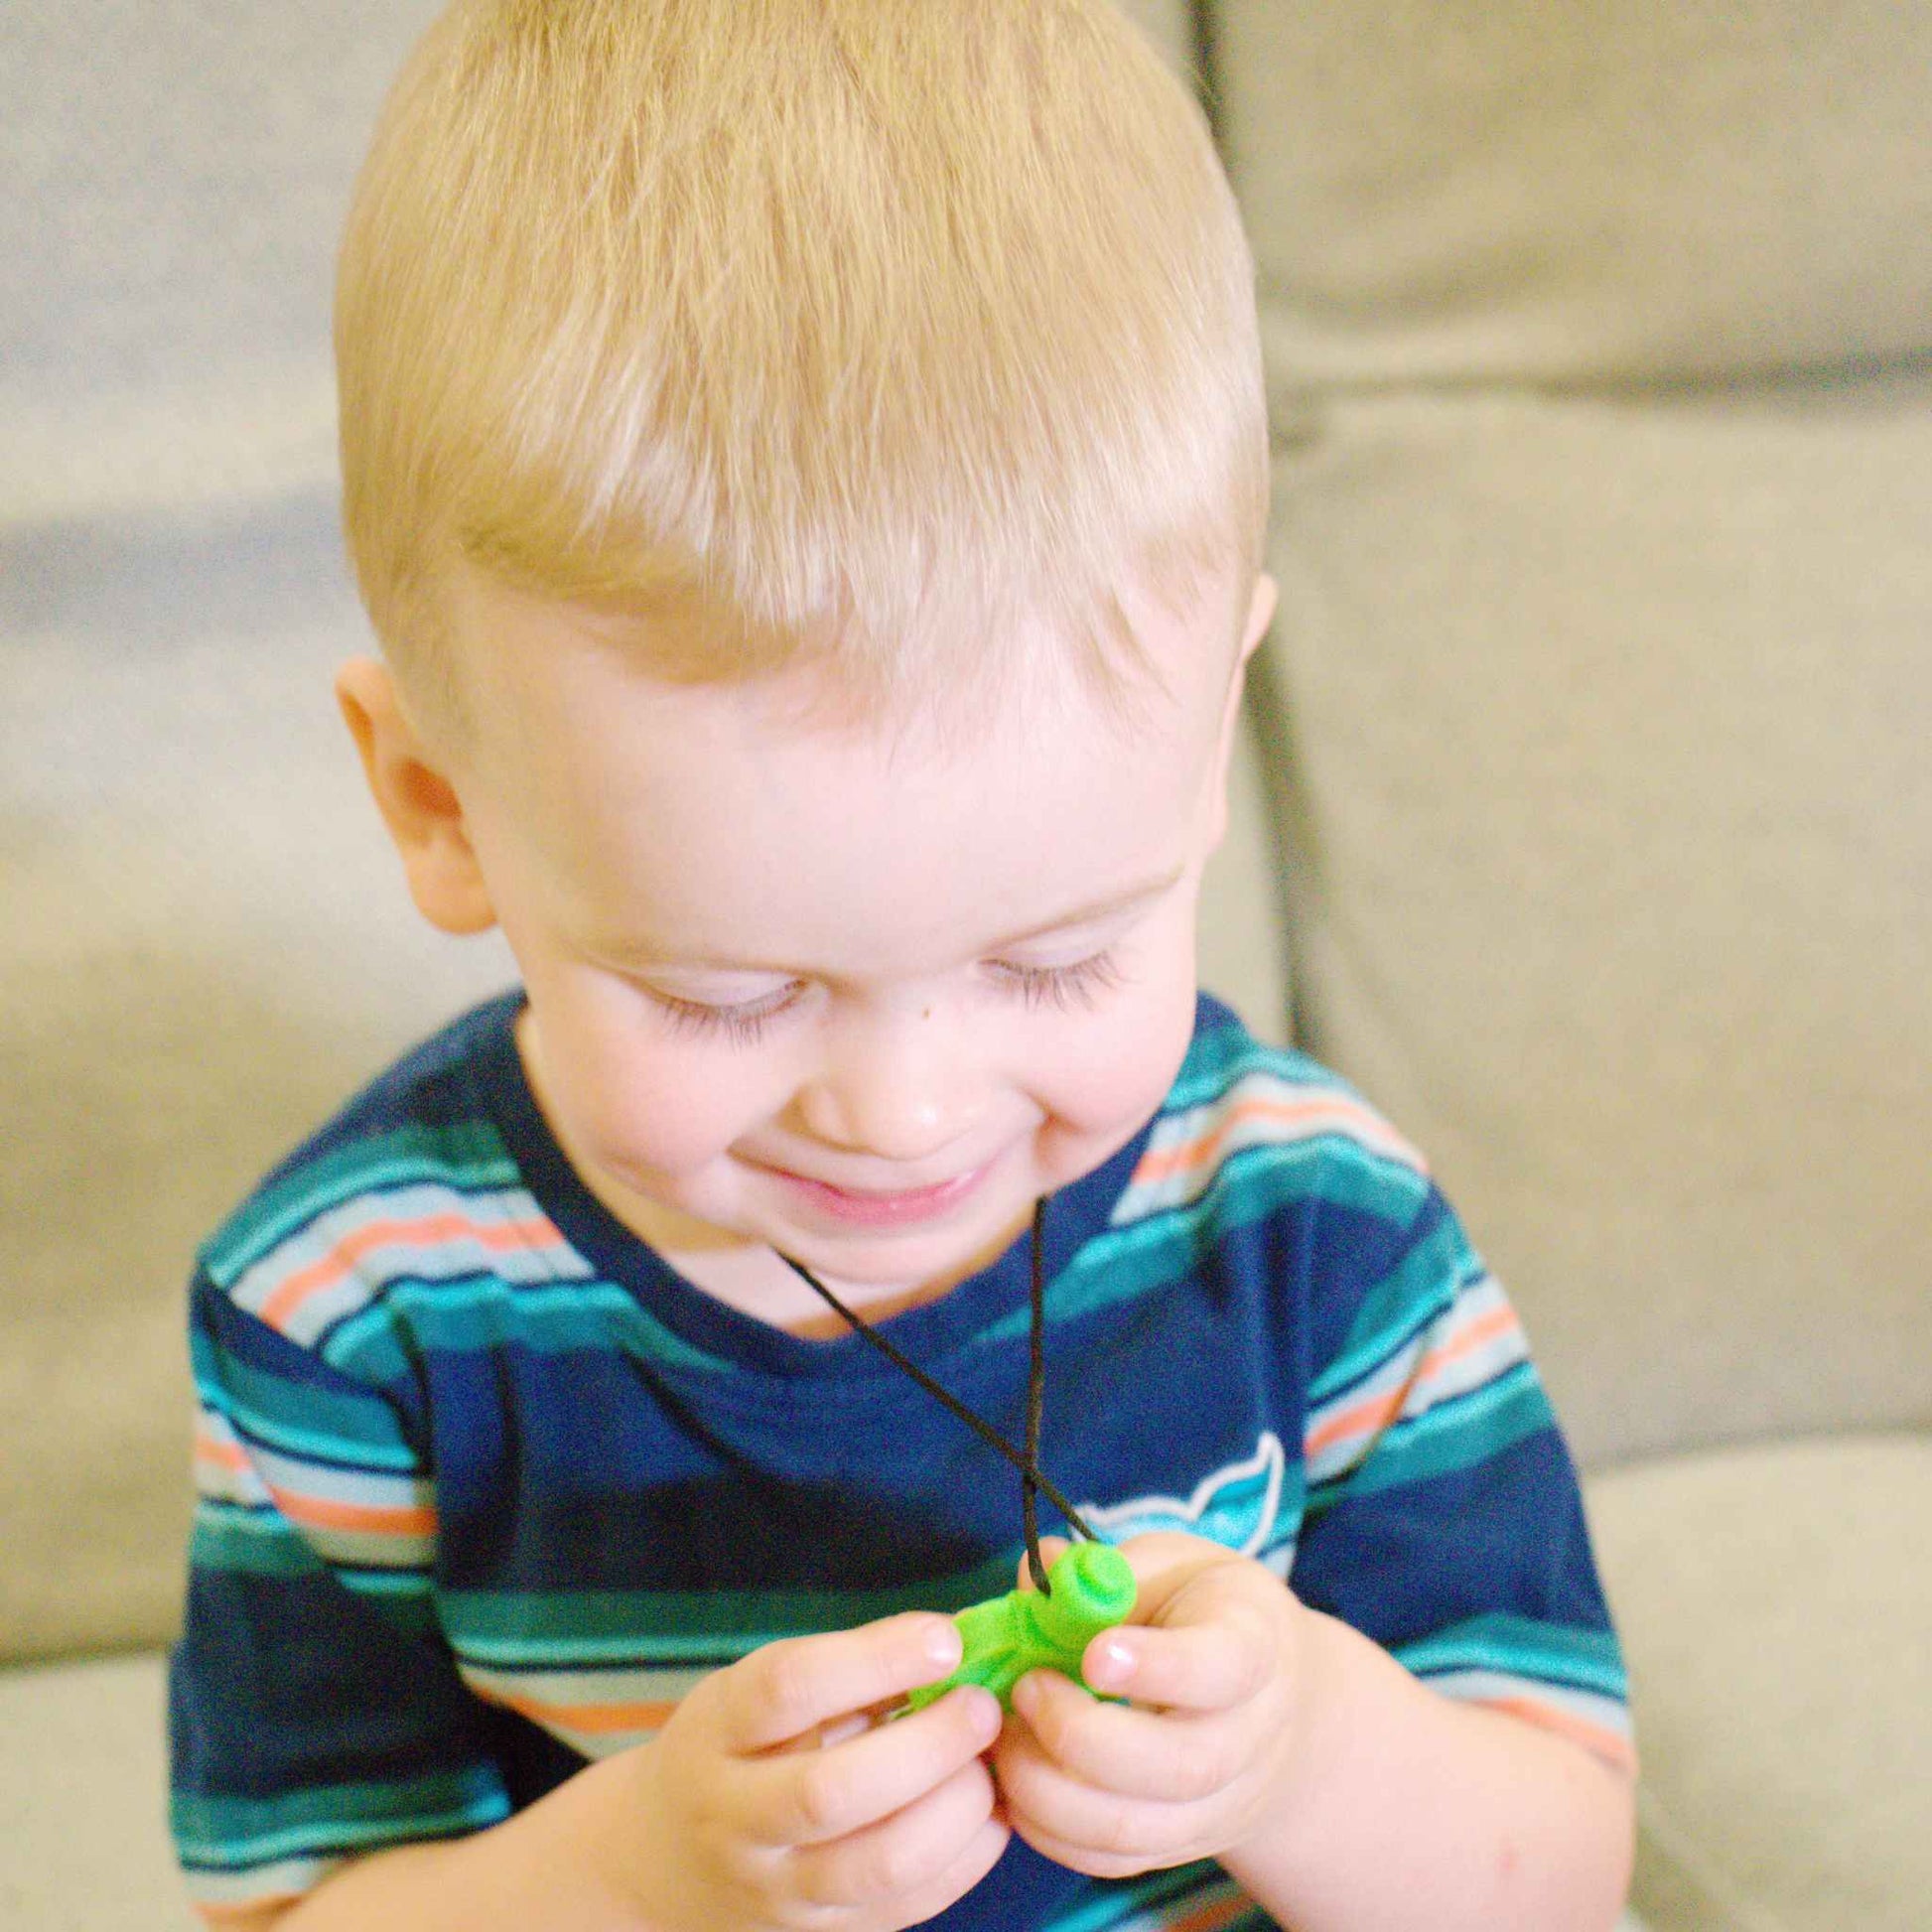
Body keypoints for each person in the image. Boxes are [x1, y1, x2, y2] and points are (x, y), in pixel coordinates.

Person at [167, 1, 1637, 1926]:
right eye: (726, 992)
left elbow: (1556, 1875)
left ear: (1208, 753)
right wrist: (642, 1874)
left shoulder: (1309, 1223)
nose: (902, 1108)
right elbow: (295, 1903)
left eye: (1056, 956)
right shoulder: (356, 1311)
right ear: (439, 806)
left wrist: (1305, 1756)